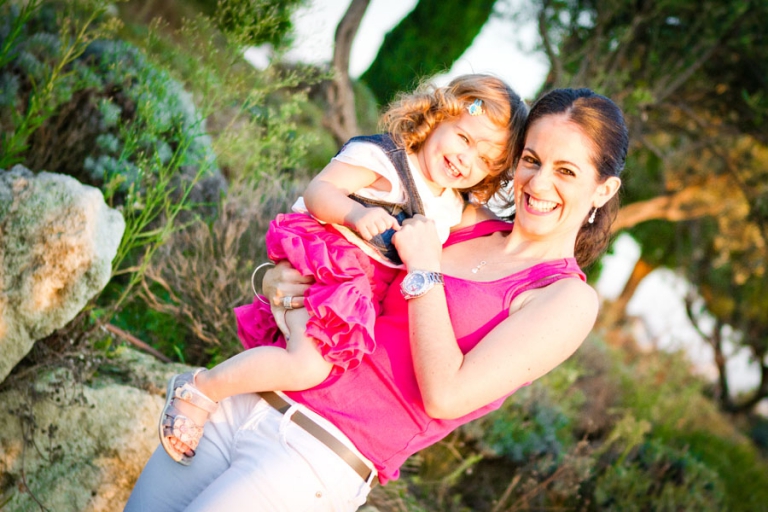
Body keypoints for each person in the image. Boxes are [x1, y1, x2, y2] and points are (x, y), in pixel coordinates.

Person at [125, 87, 626, 512]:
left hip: (311, 458)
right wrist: (276, 281)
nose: (538, 184)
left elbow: (446, 396)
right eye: (532, 161)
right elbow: (343, 252)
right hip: (243, 396)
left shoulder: (565, 298)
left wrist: (426, 268)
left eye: (567, 172)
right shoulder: (456, 218)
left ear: (603, 191)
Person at [158, 74, 528, 465]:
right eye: (464, 139)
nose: (466, 160)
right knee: (306, 365)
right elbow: (319, 191)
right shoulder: (387, 158)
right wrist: (356, 212)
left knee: (310, 366)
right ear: (438, 117)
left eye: (485, 160)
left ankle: (232, 410)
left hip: (357, 291)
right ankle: (200, 388)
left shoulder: (452, 208)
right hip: (325, 261)